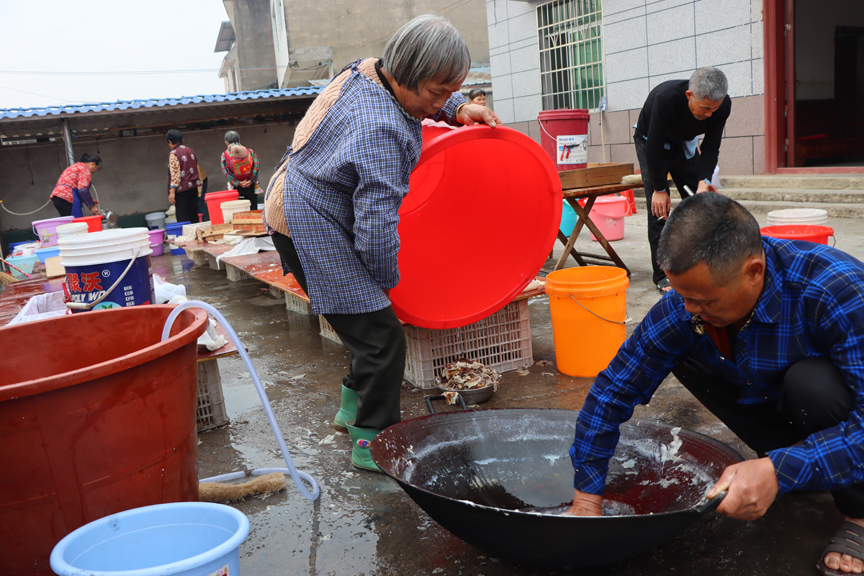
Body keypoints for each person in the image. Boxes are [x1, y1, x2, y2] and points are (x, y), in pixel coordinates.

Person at [565, 192, 864, 576]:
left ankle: (859, 513)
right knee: (681, 345)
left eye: (703, 298)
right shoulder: (688, 305)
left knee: (812, 383)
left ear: (753, 272)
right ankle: (793, 461)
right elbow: (614, 388)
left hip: (824, 403)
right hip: (775, 406)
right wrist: (587, 495)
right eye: (682, 294)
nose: (689, 307)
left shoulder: (838, 291)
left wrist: (778, 471)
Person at [263, 14, 500, 473]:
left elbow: (422, 94)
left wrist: (455, 110)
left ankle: (351, 408)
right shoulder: (381, 129)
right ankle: (374, 444)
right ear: (407, 72)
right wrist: (389, 282)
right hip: (308, 221)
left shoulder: (369, 70)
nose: (440, 104)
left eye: (449, 91)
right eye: (438, 93)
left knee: (363, 324)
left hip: (296, 191)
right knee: (382, 336)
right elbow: (375, 228)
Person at [634, 67, 731, 293]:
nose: (709, 115)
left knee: (700, 203)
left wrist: (703, 182)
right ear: (689, 95)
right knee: (659, 210)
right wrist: (659, 188)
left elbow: (711, 146)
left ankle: (703, 264)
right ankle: (662, 276)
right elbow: (654, 147)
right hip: (652, 143)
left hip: (685, 143)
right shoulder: (665, 98)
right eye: (705, 108)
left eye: (714, 110)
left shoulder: (722, 105)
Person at [166, 129, 201, 224]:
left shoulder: (174, 154)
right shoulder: (190, 150)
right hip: (193, 188)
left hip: (182, 191)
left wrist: (172, 192)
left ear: (170, 141)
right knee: (194, 216)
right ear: (182, 140)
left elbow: (175, 175)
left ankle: (188, 238)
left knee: (183, 218)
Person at [221, 131, 259, 210]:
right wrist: (251, 181)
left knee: (239, 212)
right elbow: (256, 167)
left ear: (227, 143)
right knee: (253, 210)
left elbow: (226, 172)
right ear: (239, 141)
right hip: (251, 187)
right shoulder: (250, 151)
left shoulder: (224, 155)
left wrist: (238, 183)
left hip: (236, 189)